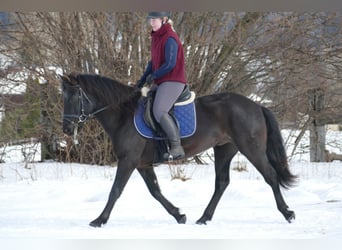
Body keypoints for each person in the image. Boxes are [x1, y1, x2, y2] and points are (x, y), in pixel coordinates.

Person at [136, 12, 187, 160]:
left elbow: (170, 64)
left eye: (154, 19)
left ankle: (177, 147)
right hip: (161, 81)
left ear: (163, 20)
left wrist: (154, 76)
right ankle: (158, 146)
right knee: (144, 104)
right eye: (150, 19)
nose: (151, 22)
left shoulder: (170, 37)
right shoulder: (156, 37)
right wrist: (142, 80)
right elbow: (153, 63)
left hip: (173, 80)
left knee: (159, 110)